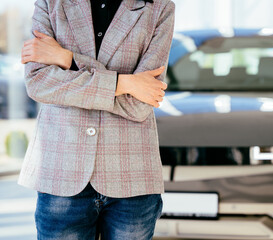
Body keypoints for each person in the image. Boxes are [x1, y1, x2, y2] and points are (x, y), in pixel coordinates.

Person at [19, 0, 175, 239]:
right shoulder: (51, 2)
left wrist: (67, 59)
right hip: (62, 170)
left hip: (132, 174)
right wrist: (125, 83)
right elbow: (39, 83)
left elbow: (140, 103)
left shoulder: (159, 7)